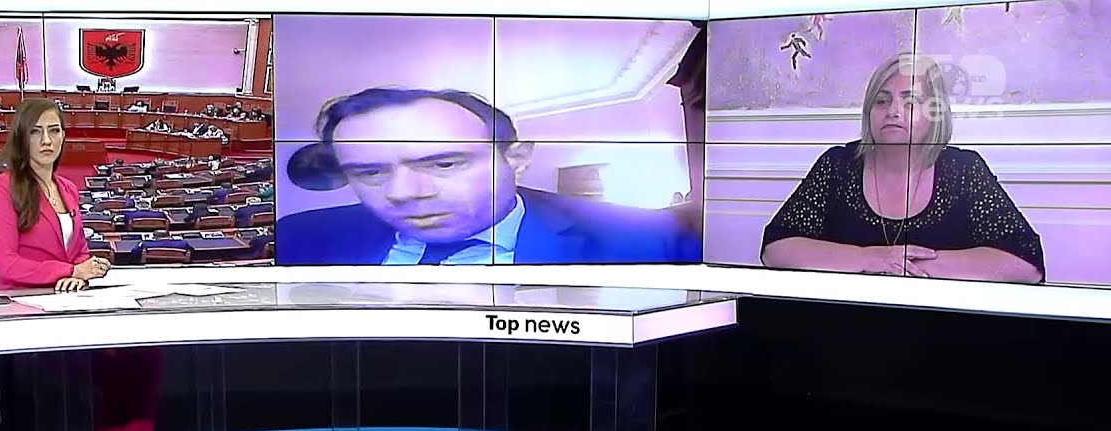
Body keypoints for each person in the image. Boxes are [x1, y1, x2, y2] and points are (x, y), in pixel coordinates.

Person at [0, 98, 190, 431]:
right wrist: (67, 270)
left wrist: (89, 264)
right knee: (111, 367)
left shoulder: (68, 189)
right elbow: (6, 264)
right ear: (22, 137)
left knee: (146, 347)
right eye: (37, 131)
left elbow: (74, 250)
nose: (47, 140)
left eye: (54, 130)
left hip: (68, 305)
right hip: (24, 314)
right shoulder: (4, 188)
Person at [275, 87, 698, 265]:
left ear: (517, 158)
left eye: (443, 164)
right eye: (370, 172)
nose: (403, 193)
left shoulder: (649, 241)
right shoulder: (295, 238)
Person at [761, 54, 1044, 283]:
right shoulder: (837, 165)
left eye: (910, 102)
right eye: (882, 101)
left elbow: (1025, 262)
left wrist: (909, 265)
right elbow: (777, 248)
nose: (893, 111)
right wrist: (869, 258)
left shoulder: (964, 170)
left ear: (935, 114)